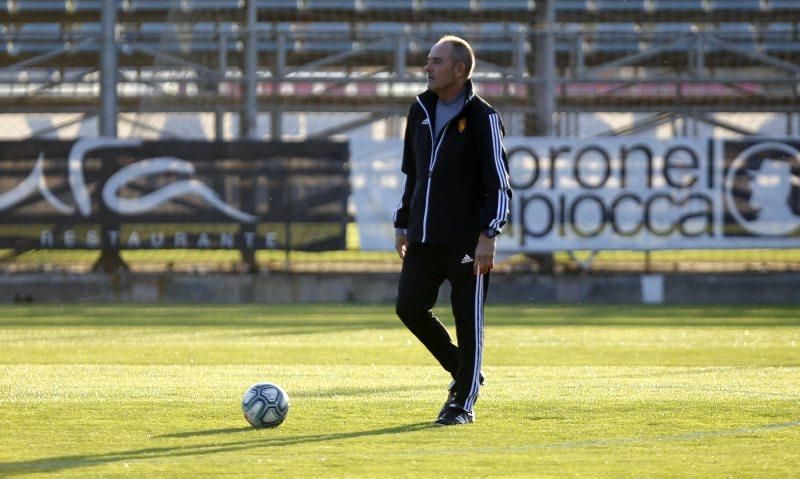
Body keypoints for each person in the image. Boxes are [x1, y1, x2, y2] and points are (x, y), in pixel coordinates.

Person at [392, 36, 512, 426]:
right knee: (409, 307)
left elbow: (499, 183)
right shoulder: (420, 109)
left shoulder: (483, 117)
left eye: (436, 61)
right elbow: (413, 173)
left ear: (459, 70)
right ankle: (465, 369)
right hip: (424, 237)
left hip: (467, 242)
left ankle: (462, 402)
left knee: (467, 320)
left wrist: (488, 235)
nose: (427, 67)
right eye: (428, 60)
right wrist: (403, 221)